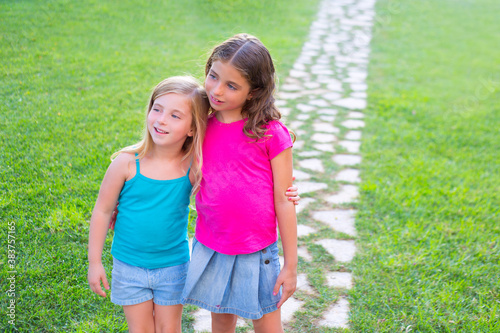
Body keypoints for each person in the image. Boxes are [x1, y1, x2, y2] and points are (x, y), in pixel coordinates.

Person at [182, 33, 298, 333]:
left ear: (253, 91)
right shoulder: (200, 123)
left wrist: (290, 266)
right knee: (221, 319)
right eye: (213, 76)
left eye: (231, 85)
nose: (217, 90)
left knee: (266, 321)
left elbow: (284, 199)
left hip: (256, 249)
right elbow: (163, 157)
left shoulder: (271, 134)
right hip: (213, 243)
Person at [87, 76, 209, 333]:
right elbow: (102, 210)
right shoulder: (126, 162)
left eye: (175, 116)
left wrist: (283, 189)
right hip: (129, 265)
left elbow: (229, 190)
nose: (161, 119)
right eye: (157, 108)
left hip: (173, 265)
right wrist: (94, 262)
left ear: (192, 128)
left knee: (169, 329)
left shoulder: (193, 168)